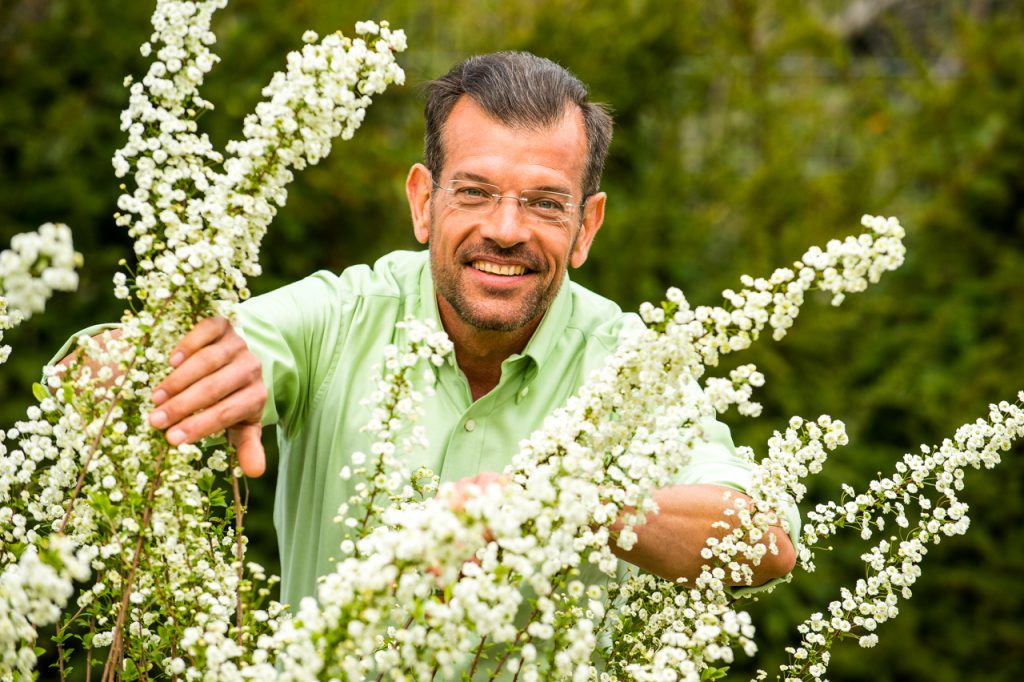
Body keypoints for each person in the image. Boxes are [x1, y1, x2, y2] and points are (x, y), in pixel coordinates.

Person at [139, 51, 798, 609]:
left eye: (544, 203)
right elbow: (151, 362)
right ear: (424, 202)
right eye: (475, 192)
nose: (506, 230)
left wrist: (564, 504)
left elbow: (765, 541)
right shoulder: (340, 318)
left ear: (586, 227)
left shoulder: (632, 366)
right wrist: (182, 368)